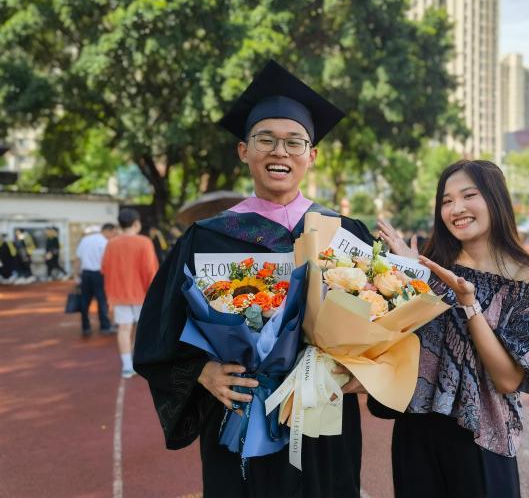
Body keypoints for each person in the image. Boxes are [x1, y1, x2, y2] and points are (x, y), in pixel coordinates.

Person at [134, 60, 373, 498]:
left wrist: (365, 374)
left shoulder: (346, 235)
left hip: (324, 417)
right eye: (266, 139)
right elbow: (158, 331)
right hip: (242, 415)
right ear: (244, 151)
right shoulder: (207, 237)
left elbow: (383, 326)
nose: (280, 152)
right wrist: (202, 371)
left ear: (311, 155)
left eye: (294, 142)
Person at [375, 160, 529, 498]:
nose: (456, 208)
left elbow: (508, 380)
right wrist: (408, 272)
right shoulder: (432, 265)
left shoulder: (526, 279)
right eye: (446, 201)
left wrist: (470, 303)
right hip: (417, 428)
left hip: (482, 433)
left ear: (495, 199)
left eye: (468, 195)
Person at [102, 209, 159, 378]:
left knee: (124, 329)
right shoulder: (145, 242)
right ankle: (143, 361)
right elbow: (150, 271)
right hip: (142, 293)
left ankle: (127, 366)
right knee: (143, 329)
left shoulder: (111, 243)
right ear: (136, 223)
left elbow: (104, 268)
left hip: (119, 294)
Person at [74, 223, 117, 337]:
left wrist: (76, 276)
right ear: (108, 231)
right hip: (99, 274)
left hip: (85, 274)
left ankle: (85, 327)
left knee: (85, 300)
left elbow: (77, 259)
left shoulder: (85, 240)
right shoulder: (105, 242)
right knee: (102, 300)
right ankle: (105, 326)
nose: (113, 236)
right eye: (113, 233)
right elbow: (108, 262)